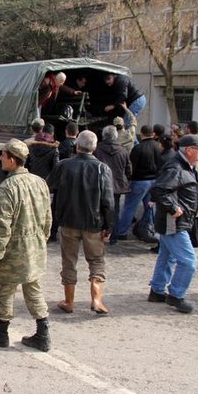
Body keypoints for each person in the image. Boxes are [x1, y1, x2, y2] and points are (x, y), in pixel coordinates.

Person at [0, 139, 53, 352]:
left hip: (14, 249)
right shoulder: (40, 182)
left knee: (4, 288)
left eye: (3, 155)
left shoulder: (6, 188)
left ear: (12, 160)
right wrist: (42, 239)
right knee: (34, 289)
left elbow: (2, 227)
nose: (0, 158)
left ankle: (1, 332)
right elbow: (48, 216)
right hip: (35, 246)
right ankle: (43, 332)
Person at [47, 130, 115, 315]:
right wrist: (109, 226)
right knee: (96, 261)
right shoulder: (103, 169)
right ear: (94, 147)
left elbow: (49, 187)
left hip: (68, 221)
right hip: (94, 223)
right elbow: (108, 201)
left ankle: (69, 302)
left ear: (77, 145)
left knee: (69, 261)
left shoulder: (63, 166)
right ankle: (96, 300)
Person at [147, 134, 198, 313]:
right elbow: (158, 190)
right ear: (189, 150)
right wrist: (173, 207)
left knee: (167, 257)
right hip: (173, 223)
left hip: (177, 221)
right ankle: (176, 295)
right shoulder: (176, 168)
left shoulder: (185, 166)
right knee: (188, 262)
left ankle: (157, 290)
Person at [112, 125, 159, 242]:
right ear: (152, 133)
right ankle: (149, 229)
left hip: (139, 181)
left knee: (130, 207)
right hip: (153, 180)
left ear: (141, 134)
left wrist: (128, 178)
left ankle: (121, 231)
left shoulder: (138, 148)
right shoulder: (157, 147)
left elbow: (131, 166)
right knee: (150, 207)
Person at [94, 125, 131, 242]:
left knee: (98, 209)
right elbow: (128, 169)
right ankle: (113, 236)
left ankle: (100, 233)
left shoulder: (97, 149)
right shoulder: (123, 151)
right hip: (117, 185)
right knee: (115, 210)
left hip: (100, 184)